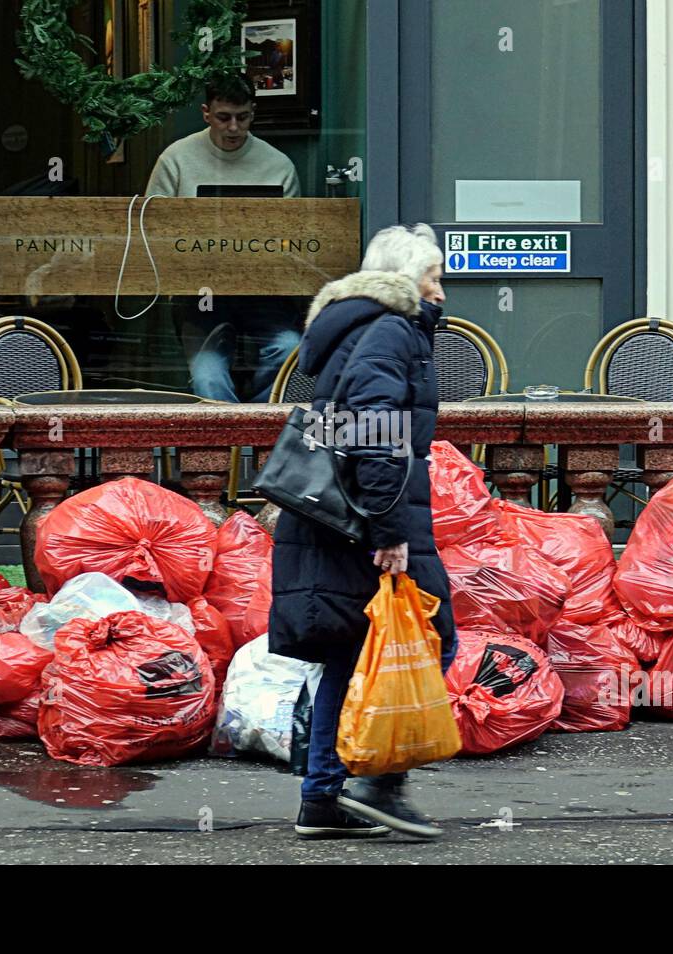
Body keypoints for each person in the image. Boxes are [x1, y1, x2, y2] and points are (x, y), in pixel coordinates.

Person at [268, 224, 457, 840]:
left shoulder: (362, 327)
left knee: (352, 649)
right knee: (430, 637)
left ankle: (325, 797)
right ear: (405, 281)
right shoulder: (390, 330)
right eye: (434, 278)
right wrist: (388, 531)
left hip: (338, 516)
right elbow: (373, 429)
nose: (442, 293)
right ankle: (376, 782)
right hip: (365, 518)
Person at [146, 75, 302, 402]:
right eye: (223, 118)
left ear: (253, 113)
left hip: (264, 293)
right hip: (198, 293)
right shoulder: (175, 159)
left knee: (289, 350)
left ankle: (259, 436)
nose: (233, 127)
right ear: (206, 113)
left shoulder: (278, 165)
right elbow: (153, 232)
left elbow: (293, 239)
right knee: (207, 377)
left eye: (242, 117)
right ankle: (229, 449)